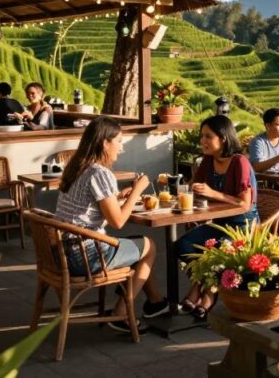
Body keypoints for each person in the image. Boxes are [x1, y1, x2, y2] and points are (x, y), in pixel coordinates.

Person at [54, 117, 168, 333]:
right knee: (149, 246)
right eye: (119, 141)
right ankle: (121, 313)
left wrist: (120, 197)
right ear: (105, 143)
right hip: (85, 256)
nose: (121, 148)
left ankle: (156, 301)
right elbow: (117, 222)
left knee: (136, 248)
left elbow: (95, 207)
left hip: (62, 252)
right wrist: (137, 190)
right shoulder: (99, 173)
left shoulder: (77, 167)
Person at [174, 115, 258, 320]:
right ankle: (198, 285)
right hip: (219, 223)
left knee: (219, 252)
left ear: (223, 138)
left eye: (207, 136)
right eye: (201, 136)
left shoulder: (240, 162)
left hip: (242, 225)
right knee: (182, 245)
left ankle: (207, 295)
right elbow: (192, 189)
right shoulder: (208, 161)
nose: (202, 141)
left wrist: (213, 194)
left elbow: (244, 204)